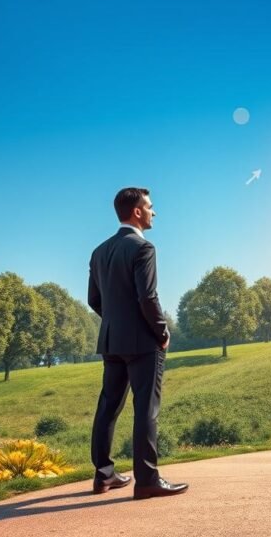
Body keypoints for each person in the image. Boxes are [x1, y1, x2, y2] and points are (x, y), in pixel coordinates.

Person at [88, 187, 188, 500]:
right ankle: (147, 481)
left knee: (108, 408)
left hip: (111, 341)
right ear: (137, 212)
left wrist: (117, 322)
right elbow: (148, 297)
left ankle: (103, 476)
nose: (153, 212)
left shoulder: (99, 251)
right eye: (150, 206)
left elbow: (94, 300)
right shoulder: (143, 248)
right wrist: (162, 332)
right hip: (143, 342)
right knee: (146, 409)